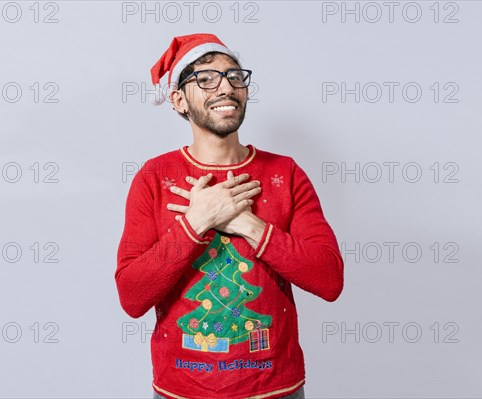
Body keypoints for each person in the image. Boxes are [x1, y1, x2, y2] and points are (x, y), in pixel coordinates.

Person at [115, 33, 344, 399]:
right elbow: (132, 296)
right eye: (205, 79)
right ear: (178, 100)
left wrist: (248, 224)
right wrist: (197, 222)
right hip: (183, 390)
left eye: (234, 76)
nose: (225, 87)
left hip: (276, 390)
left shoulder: (285, 173)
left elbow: (329, 278)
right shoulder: (155, 177)